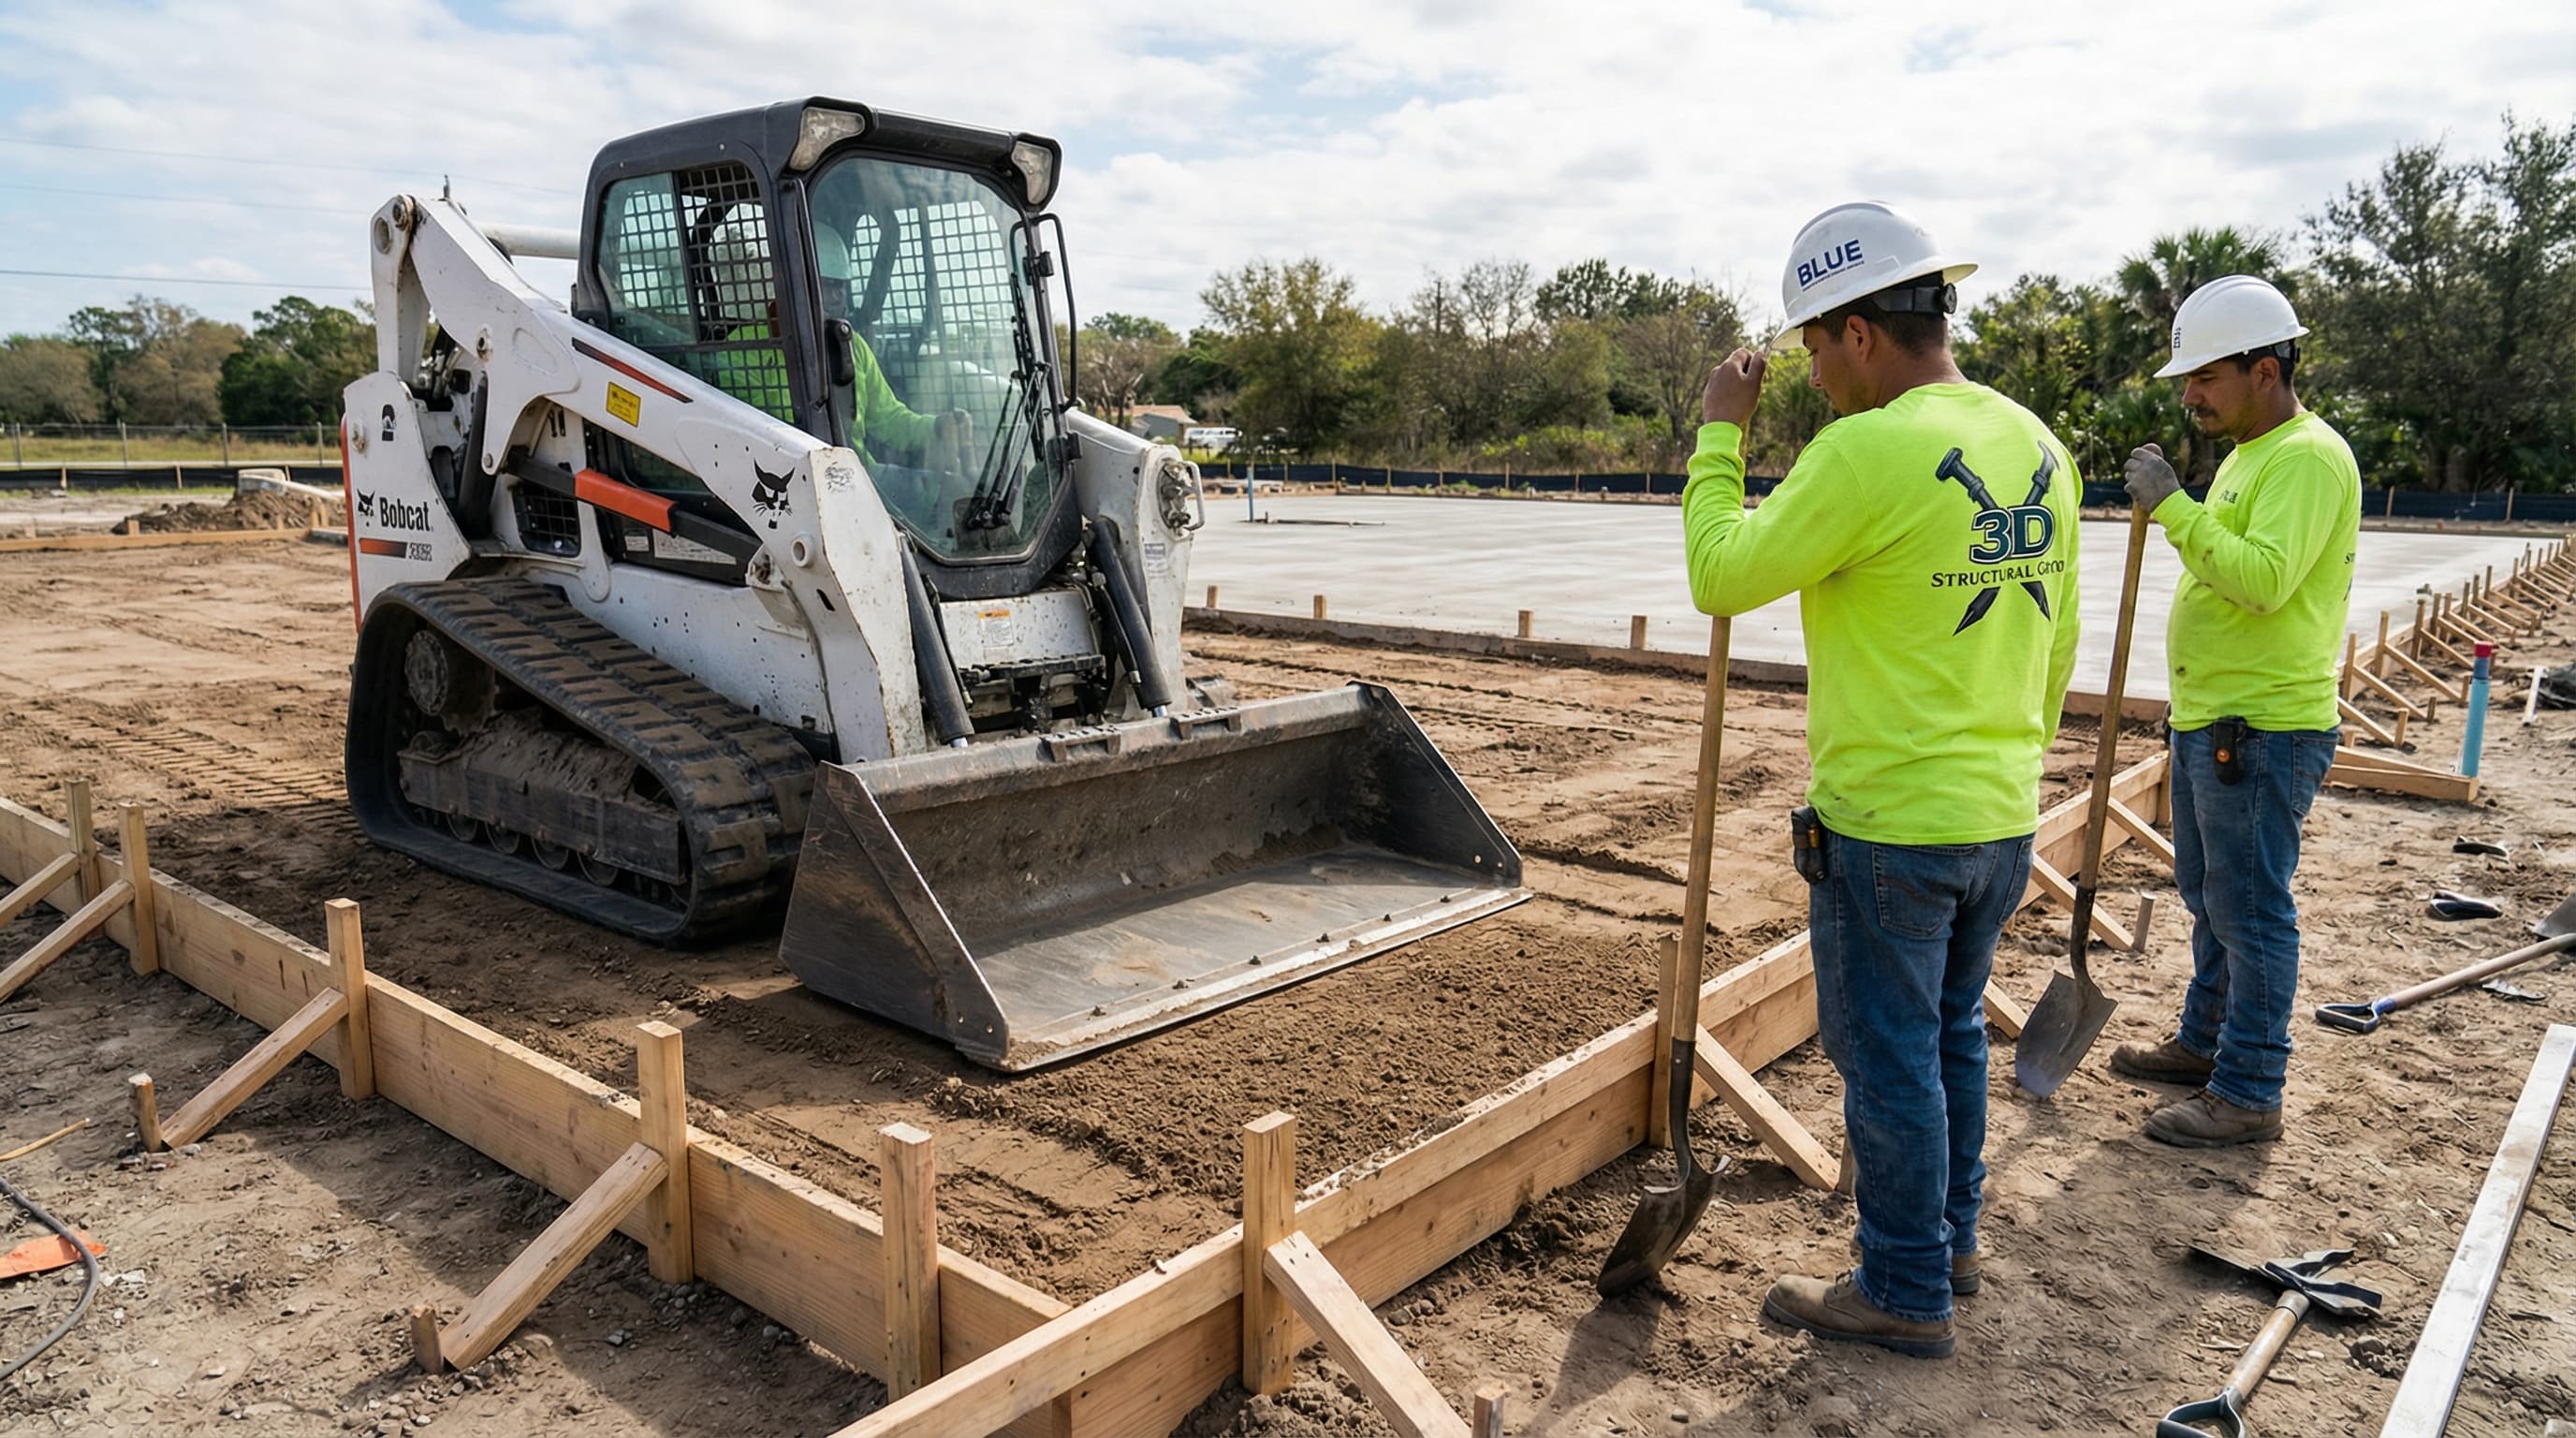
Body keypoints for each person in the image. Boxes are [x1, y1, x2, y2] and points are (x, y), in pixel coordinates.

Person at [1685, 201, 2082, 1359]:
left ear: (1858, 330)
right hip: (2001, 816)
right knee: (1951, 1035)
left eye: (1811, 347)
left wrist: (1720, 438)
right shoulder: (2037, 442)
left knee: (1888, 1058)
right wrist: (2007, 760)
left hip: (1890, 830)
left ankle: (1905, 1289)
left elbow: (1721, 575)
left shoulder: (1865, 449)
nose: (1808, 373)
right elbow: (2055, 641)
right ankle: (1947, 1239)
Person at [2111, 275, 2359, 1147]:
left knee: (2250, 909)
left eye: (2204, 378)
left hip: (2263, 730)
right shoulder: (2254, 453)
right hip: (2217, 722)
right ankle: (2206, 1043)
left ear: (2264, 369)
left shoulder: (2305, 457)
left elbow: (2261, 581)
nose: (2190, 396)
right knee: (2212, 897)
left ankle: (2249, 1088)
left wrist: (2174, 503)